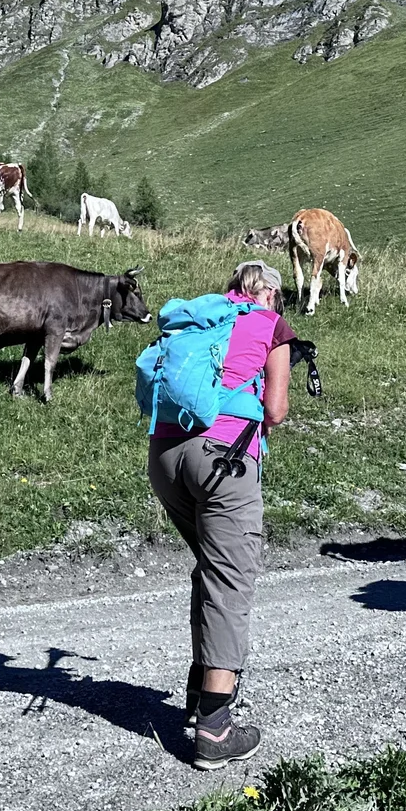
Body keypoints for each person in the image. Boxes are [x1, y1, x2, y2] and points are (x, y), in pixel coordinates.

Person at [149, 259, 293, 770]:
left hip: (165, 456)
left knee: (211, 568)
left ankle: (199, 688)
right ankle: (214, 727)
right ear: (269, 294)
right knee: (229, 579)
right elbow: (275, 410)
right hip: (224, 458)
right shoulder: (271, 324)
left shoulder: (202, 317)